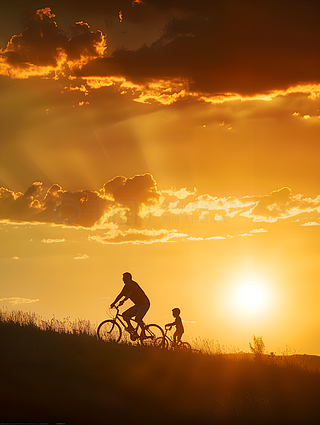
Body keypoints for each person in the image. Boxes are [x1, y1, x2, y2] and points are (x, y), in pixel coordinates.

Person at [110, 272, 150, 339]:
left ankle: (144, 334)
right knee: (125, 315)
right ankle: (132, 329)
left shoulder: (133, 284)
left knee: (137, 319)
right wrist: (114, 303)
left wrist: (123, 301)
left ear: (128, 278)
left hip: (144, 304)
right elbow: (120, 295)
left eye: (124, 278)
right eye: (123, 278)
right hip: (137, 305)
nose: (123, 280)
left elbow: (130, 293)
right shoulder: (126, 287)